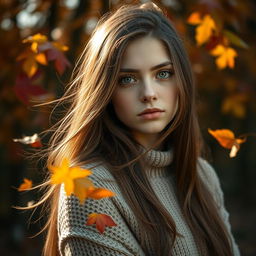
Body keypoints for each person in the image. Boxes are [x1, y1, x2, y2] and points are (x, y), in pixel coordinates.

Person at [37, 2, 240, 256]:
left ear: (183, 80)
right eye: (127, 79)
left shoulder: (203, 176)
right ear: (105, 91)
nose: (148, 94)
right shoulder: (89, 187)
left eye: (163, 74)